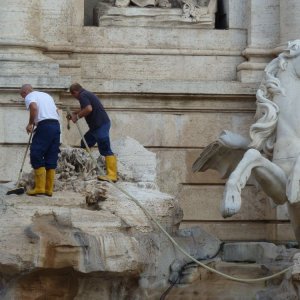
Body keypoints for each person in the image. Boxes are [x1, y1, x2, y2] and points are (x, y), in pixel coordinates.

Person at [68, 83, 117, 182]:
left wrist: (76, 117)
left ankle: (112, 175)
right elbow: (86, 107)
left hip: (100, 125)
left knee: (105, 148)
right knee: (85, 142)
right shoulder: (87, 94)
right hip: (96, 127)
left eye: (73, 96)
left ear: (75, 92)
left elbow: (88, 109)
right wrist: (75, 113)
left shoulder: (82, 95)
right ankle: (86, 166)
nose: (75, 98)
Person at [20, 84, 60, 196]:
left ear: (24, 92)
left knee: (36, 153)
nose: (24, 99)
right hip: (56, 125)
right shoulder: (46, 95)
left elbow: (33, 107)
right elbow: (56, 111)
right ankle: (49, 189)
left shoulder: (29, 96)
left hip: (45, 125)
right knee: (51, 155)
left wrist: (30, 123)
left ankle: (40, 188)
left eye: (22, 96)